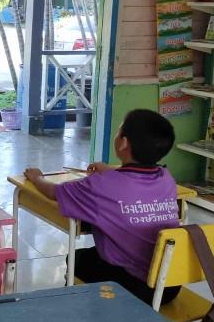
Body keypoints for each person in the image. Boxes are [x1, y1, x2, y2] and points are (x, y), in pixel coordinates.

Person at [24, 109, 180, 305]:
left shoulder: (101, 185)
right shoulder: (166, 178)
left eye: (118, 131)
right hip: (170, 285)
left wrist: (37, 177)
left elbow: (54, 192)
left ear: (124, 143)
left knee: (77, 258)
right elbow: (134, 179)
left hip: (134, 288)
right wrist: (109, 171)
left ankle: (87, 311)